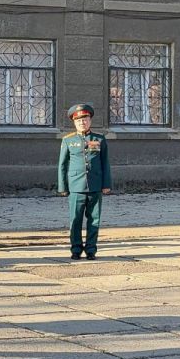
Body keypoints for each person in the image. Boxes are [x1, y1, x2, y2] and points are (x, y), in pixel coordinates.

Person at [58, 104, 111, 260]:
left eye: (85, 119)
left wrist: (106, 184)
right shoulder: (68, 140)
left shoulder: (99, 139)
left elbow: (105, 163)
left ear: (90, 120)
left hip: (95, 185)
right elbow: (62, 164)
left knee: (94, 219)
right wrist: (63, 186)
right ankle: (75, 249)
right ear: (74, 122)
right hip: (76, 186)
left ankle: (91, 249)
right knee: (75, 220)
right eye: (79, 120)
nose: (83, 122)